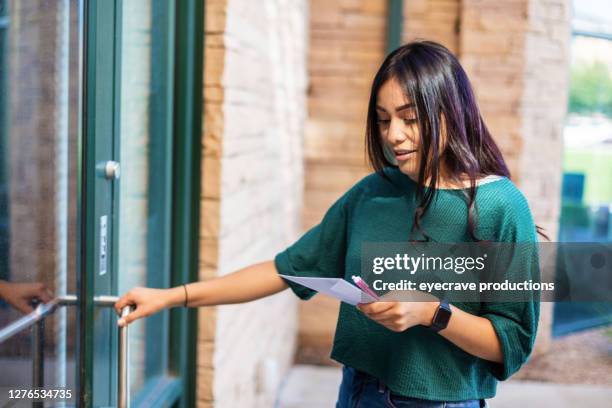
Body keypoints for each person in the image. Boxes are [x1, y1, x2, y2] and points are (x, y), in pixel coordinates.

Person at [114, 40, 543, 407]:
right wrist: (172, 296)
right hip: (356, 390)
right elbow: (286, 268)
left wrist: (431, 311)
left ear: (452, 112)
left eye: (410, 119)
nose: (393, 134)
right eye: (383, 119)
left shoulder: (501, 207)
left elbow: (511, 343)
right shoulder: (373, 193)